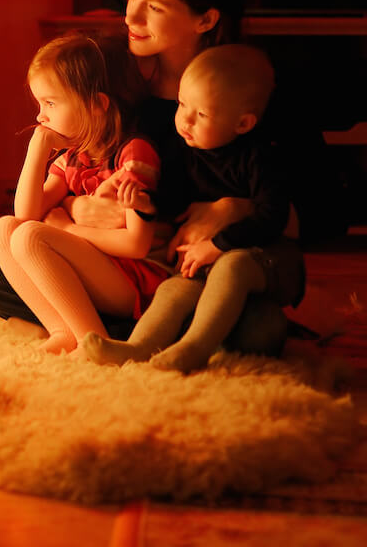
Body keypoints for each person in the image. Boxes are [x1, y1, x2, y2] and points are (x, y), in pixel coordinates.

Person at [0, 0, 293, 350]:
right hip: (105, 261)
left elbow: (314, 214)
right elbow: (68, 187)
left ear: (205, 18)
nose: (130, 17)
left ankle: (128, 331)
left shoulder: (248, 96)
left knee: (261, 329)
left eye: (154, 7)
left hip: (181, 270)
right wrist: (76, 206)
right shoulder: (116, 86)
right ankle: (106, 329)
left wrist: (232, 208)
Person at [83, 44, 305, 371]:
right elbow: (176, 200)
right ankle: (138, 347)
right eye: (182, 104)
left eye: (200, 114)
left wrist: (218, 245)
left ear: (242, 123)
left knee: (234, 267)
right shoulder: (189, 150)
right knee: (175, 287)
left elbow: (273, 217)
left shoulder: (260, 158)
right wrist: (145, 203)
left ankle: (193, 349)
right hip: (210, 260)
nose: (184, 119)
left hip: (270, 260)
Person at [0, 33, 170, 354]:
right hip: (100, 270)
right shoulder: (73, 157)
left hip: (137, 282)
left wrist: (68, 228)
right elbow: (24, 214)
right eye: (40, 104)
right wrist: (37, 149)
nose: (40, 116)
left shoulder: (133, 153)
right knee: (3, 230)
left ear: (97, 104)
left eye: (51, 103)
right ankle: (63, 330)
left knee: (31, 237)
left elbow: (137, 245)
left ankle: (94, 340)